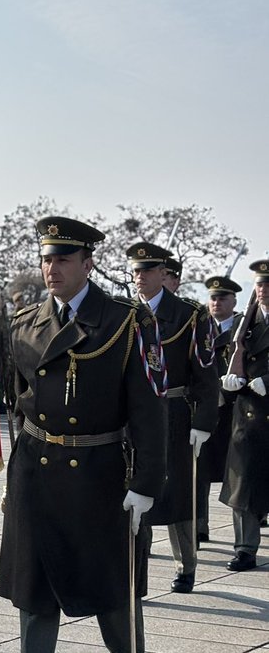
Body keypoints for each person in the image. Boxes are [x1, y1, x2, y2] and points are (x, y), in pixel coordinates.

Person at [0, 219, 166, 653]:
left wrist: (145, 484)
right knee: (34, 582)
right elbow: (18, 403)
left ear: (88, 264)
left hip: (97, 469)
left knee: (108, 579)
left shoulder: (124, 321)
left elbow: (148, 409)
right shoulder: (26, 321)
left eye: (64, 259)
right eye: (47, 259)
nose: (52, 269)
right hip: (36, 467)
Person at [128, 243, 219, 593]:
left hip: (175, 412)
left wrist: (204, 420)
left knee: (178, 495)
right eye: (136, 271)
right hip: (135, 416)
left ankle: (186, 566)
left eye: (148, 271)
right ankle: (137, 572)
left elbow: (206, 373)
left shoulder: (189, 315)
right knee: (137, 494)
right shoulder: (126, 312)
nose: (141, 277)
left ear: (164, 274)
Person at [219, 259, 269, 571]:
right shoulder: (245, 324)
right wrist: (230, 384)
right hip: (249, 413)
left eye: (268, 284)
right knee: (243, 485)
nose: (263, 290)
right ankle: (245, 549)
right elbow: (229, 359)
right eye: (260, 284)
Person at [196, 275, 242, 542]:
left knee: (237, 472)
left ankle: (247, 531)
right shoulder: (199, 328)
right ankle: (200, 525)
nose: (216, 302)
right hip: (206, 408)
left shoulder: (242, 327)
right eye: (213, 297)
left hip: (234, 409)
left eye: (222, 297)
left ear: (233, 300)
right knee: (199, 471)